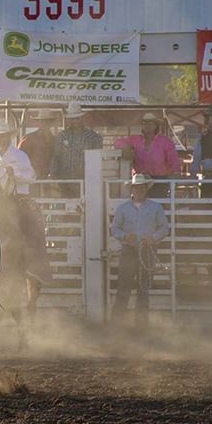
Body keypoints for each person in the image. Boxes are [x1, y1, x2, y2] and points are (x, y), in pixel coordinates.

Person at [0, 121, 52, 284]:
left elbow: (31, 177)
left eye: (3, 136)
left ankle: (35, 266)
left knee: (32, 233)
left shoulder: (19, 156)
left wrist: (14, 174)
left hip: (19, 200)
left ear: (9, 137)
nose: (0, 139)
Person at [110, 174, 170, 325]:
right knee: (124, 288)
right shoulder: (123, 208)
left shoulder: (155, 207)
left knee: (143, 290)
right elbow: (115, 229)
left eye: (142, 187)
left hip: (147, 251)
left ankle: (141, 325)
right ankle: (117, 325)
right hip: (129, 250)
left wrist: (153, 238)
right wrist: (124, 237)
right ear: (132, 189)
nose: (139, 190)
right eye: (136, 187)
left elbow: (164, 228)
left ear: (146, 189)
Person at [114, 113, 181, 198]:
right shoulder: (135, 139)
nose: (147, 126)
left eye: (150, 123)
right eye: (144, 123)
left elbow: (174, 161)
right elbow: (117, 142)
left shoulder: (165, 142)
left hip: (159, 180)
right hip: (140, 180)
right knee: (139, 205)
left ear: (156, 126)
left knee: (157, 205)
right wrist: (125, 146)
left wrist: (175, 174)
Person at [50, 102, 103, 196]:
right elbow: (56, 157)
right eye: (72, 119)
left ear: (82, 118)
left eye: (77, 118)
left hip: (87, 180)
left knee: (87, 206)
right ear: (69, 120)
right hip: (65, 181)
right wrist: (53, 176)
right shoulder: (62, 136)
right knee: (67, 206)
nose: (75, 121)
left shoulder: (93, 137)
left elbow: (97, 160)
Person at [17, 109, 55, 180]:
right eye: (42, 121)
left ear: (51, 123)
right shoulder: (29, 139)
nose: (45, 123)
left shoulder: (55, 140)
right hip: (32, 179)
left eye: (47, 121)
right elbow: (19, 158)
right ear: (39, 122)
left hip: (50, 180)